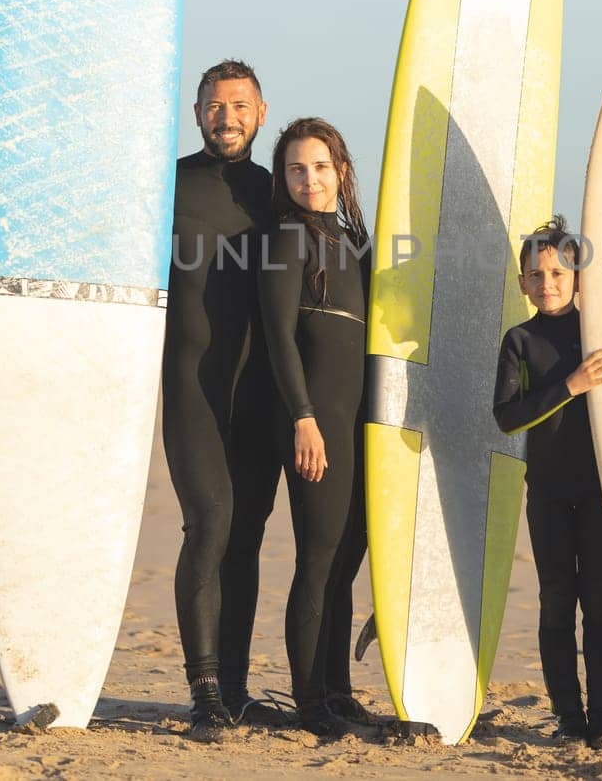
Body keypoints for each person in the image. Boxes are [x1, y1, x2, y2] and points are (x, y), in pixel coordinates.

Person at [0, 60, 281, 742]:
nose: (227, 116)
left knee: (245, 535)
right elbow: (75, 225)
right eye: (215, 106)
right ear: (196, 114)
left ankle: (240, 689)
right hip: (191, 382)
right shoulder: (164, 184)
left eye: (240, 105)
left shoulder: (278, 194)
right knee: (211, 522)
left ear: (262, 111)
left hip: (262, 394)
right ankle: (205, 691)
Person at [254, 117, 372, 738]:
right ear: (284, 178)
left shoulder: (355, 243)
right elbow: (279, 337)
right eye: (297, 169)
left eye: (321, 167)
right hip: (314, 424)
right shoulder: (286, 239)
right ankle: (307, 702)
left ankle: (336, 691)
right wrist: (303, 417)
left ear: (341, 171)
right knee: (318, 559)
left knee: (346, 559)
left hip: (355, 426)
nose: (310, 179)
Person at [492, 216, 602, 751]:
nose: (547, 284)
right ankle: (568, 716)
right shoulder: (520, 340)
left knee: (601, 601)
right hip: (547, 490)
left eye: (558, 273)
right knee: (555, 600)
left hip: (601, 490)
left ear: (578, 278)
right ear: (523, 282)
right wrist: (571, 385)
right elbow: (506, 417)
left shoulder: (600, 334)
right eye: (536, 275)